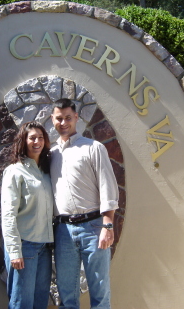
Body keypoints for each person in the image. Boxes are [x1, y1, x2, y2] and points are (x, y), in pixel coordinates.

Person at [50, 98, 119, 309]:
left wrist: (108, 225)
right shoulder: (49, 155)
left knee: (100, 294)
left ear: (76, 118)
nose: (64, 123)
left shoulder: (93, 148)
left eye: (68, 118)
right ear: (52, 120)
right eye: (59, 119)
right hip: (63, 231)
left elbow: (108, 187)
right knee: (67, 296)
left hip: (94, 227)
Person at [1, 121, 54, 309]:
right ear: (23, 141)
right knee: (22, 303)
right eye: (32, 138)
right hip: (25, 246)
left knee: (40, 302)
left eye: (41, 137)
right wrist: (14, 251)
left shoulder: (46, 172)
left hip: (44, 248)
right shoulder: (15, 171)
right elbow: (8, 215)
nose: (37, 141)